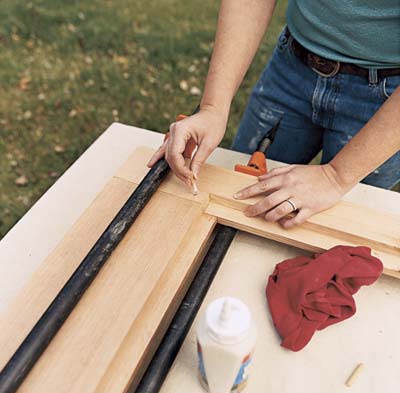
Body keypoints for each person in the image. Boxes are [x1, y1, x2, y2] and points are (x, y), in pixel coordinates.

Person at [148, 0, 400, 228]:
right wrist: (213, 108)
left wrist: (336, 177)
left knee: (343, 226)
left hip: (389, 101)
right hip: (293, 65)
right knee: (241, 196)